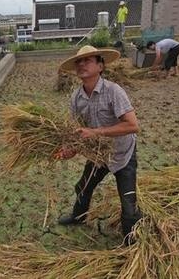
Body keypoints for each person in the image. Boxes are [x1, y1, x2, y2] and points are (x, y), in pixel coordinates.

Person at [57, 45, 142, 245]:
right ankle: (78, 217)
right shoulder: (76, 97)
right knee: (83, 187)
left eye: (87, 60)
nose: (81, 64)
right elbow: (79, 132)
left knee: (128, 204)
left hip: (123, 153)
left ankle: (132, 242)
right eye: (78, 61)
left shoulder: (114, 91)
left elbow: (132, 126)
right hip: (99, 155)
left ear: (100, 66)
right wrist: (70, 149)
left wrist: (95, 132)